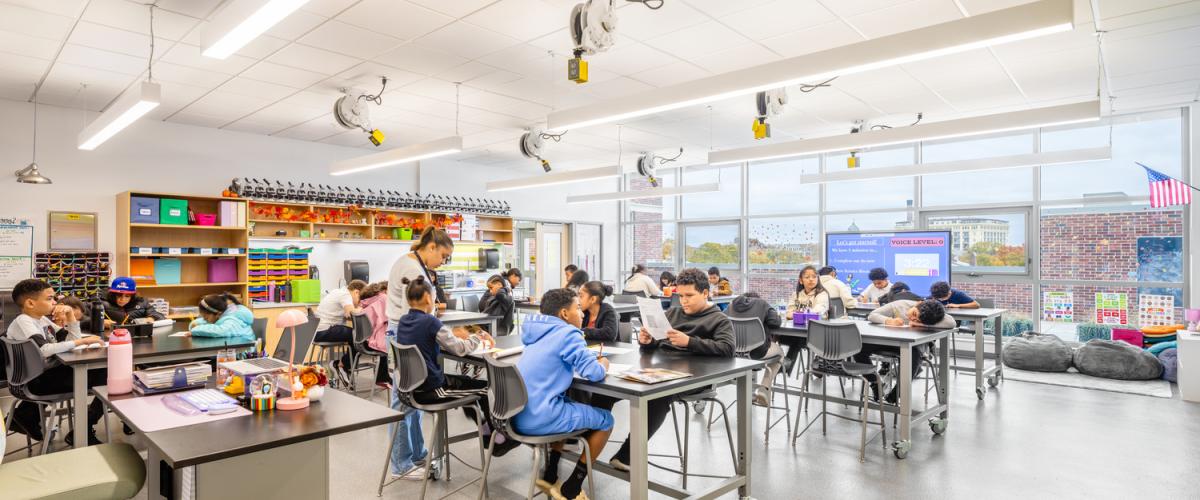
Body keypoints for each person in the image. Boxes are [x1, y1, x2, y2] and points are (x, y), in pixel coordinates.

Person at [596, 268, 734, 472]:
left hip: (695, 378)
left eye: (689, 296)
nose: (684, 301)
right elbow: (658, 343)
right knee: (605, 391)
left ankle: (627, 455)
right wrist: (648, 341)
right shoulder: (673, 313)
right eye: (681, 295)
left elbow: (727, 349)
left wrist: (690, 342)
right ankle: (585, 446)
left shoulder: (719, 319)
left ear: (705, 294)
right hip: (660, 369)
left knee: (657, 395)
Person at [394, 276, 518, 456]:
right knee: (483, 389)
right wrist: (475, 336)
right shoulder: (431, 321)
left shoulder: (404, 321)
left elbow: (428, 337)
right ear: (429, 298)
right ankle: (497, 438)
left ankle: (486, 430)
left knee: (469, 381)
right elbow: (460, 349)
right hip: (431, 390)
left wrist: (452, 333)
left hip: (410, 388)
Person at [515, 288, 613, 500]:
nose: (582, 313)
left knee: (565, 401)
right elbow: (594, 373)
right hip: (540, 419)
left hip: (516, 416)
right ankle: (573, 487)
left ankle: (550, 474)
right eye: (578, 308)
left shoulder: (534, 333)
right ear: (564, 314)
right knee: (606, 420)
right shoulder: (568, 333)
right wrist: (603, 363)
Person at [385, 227, 456, 480]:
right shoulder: (413, 269)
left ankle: (416, 455)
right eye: (444, 255)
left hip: (400, 333)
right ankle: (401, 464)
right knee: (402, 400)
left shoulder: (414, 263)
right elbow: (415, 318)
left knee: (409, 399)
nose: (443, 261)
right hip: (403, 337)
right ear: (432, 247)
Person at [6, 279, 104, 444]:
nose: (55, 302)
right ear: (30, 303)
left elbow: (70, 339)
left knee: (103, 372)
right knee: (106, 376)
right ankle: (83, 430)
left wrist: (71, 317)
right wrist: (81, 343)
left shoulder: (41, 320)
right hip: (35, 381)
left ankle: (25, 414)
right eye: (50, 298)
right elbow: (44, 350)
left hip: (39, 376)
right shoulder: (24, 321)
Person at [861, 298, 957, 402]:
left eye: (917, 320)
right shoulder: (900, 304)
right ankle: (875, 382)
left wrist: (920, 324)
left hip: (912, 346)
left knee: (913, 355)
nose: (912, 318)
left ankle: (896, 393)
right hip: (887, 342)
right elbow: (872, 315)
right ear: (919, 303)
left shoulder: (932, 315)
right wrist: (889, 320)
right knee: (860, 347)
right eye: (914, 314)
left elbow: (951, 323)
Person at [727, 292, 784, 405]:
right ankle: (764, 388)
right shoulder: (763, 305)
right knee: (780, 353)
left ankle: (750, 390)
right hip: (757, 352)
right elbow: (775, 322)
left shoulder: (731, 306)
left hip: (734, 352)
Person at [314, 279, 367, 384]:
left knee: (355, 335)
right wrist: (363, 308)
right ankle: (342, 365)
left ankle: (343, 365)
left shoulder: (337, 292)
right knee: (359, 336)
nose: (360, 302)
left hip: (317, 331)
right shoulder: (345, 295)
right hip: (325, 330)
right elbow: (351, 312)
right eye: (361, 298)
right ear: (356, 292)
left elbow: (347, 315)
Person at [780, 265, 829, 374]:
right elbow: (788, 314)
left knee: (797, 340)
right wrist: (803, 314)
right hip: (797, 330)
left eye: (814, 276)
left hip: (816, 334)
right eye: (807, 277)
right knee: (781, 337)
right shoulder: (796, 294)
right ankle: (778, 365)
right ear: (801, 280)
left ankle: (785, 368)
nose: (811, 279)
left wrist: (799, 314)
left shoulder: (822, 294)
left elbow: (817, 311)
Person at [361, 281, 392, 387]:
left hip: (362, 341)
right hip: (371, 342)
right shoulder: (383, 298)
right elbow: (390, 316)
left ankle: (383, 376)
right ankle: (385, 377)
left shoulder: (369, 300)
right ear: (385, 290)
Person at [189, 293, 254, 338]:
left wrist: (195, 330)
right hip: (229, 349)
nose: (205, 320)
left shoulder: (232, 321)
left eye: (206, 318)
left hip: (242, 353)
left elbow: (221, 331)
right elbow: (207, 322)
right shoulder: (221, 315)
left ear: (218, 314)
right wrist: (195, 323)